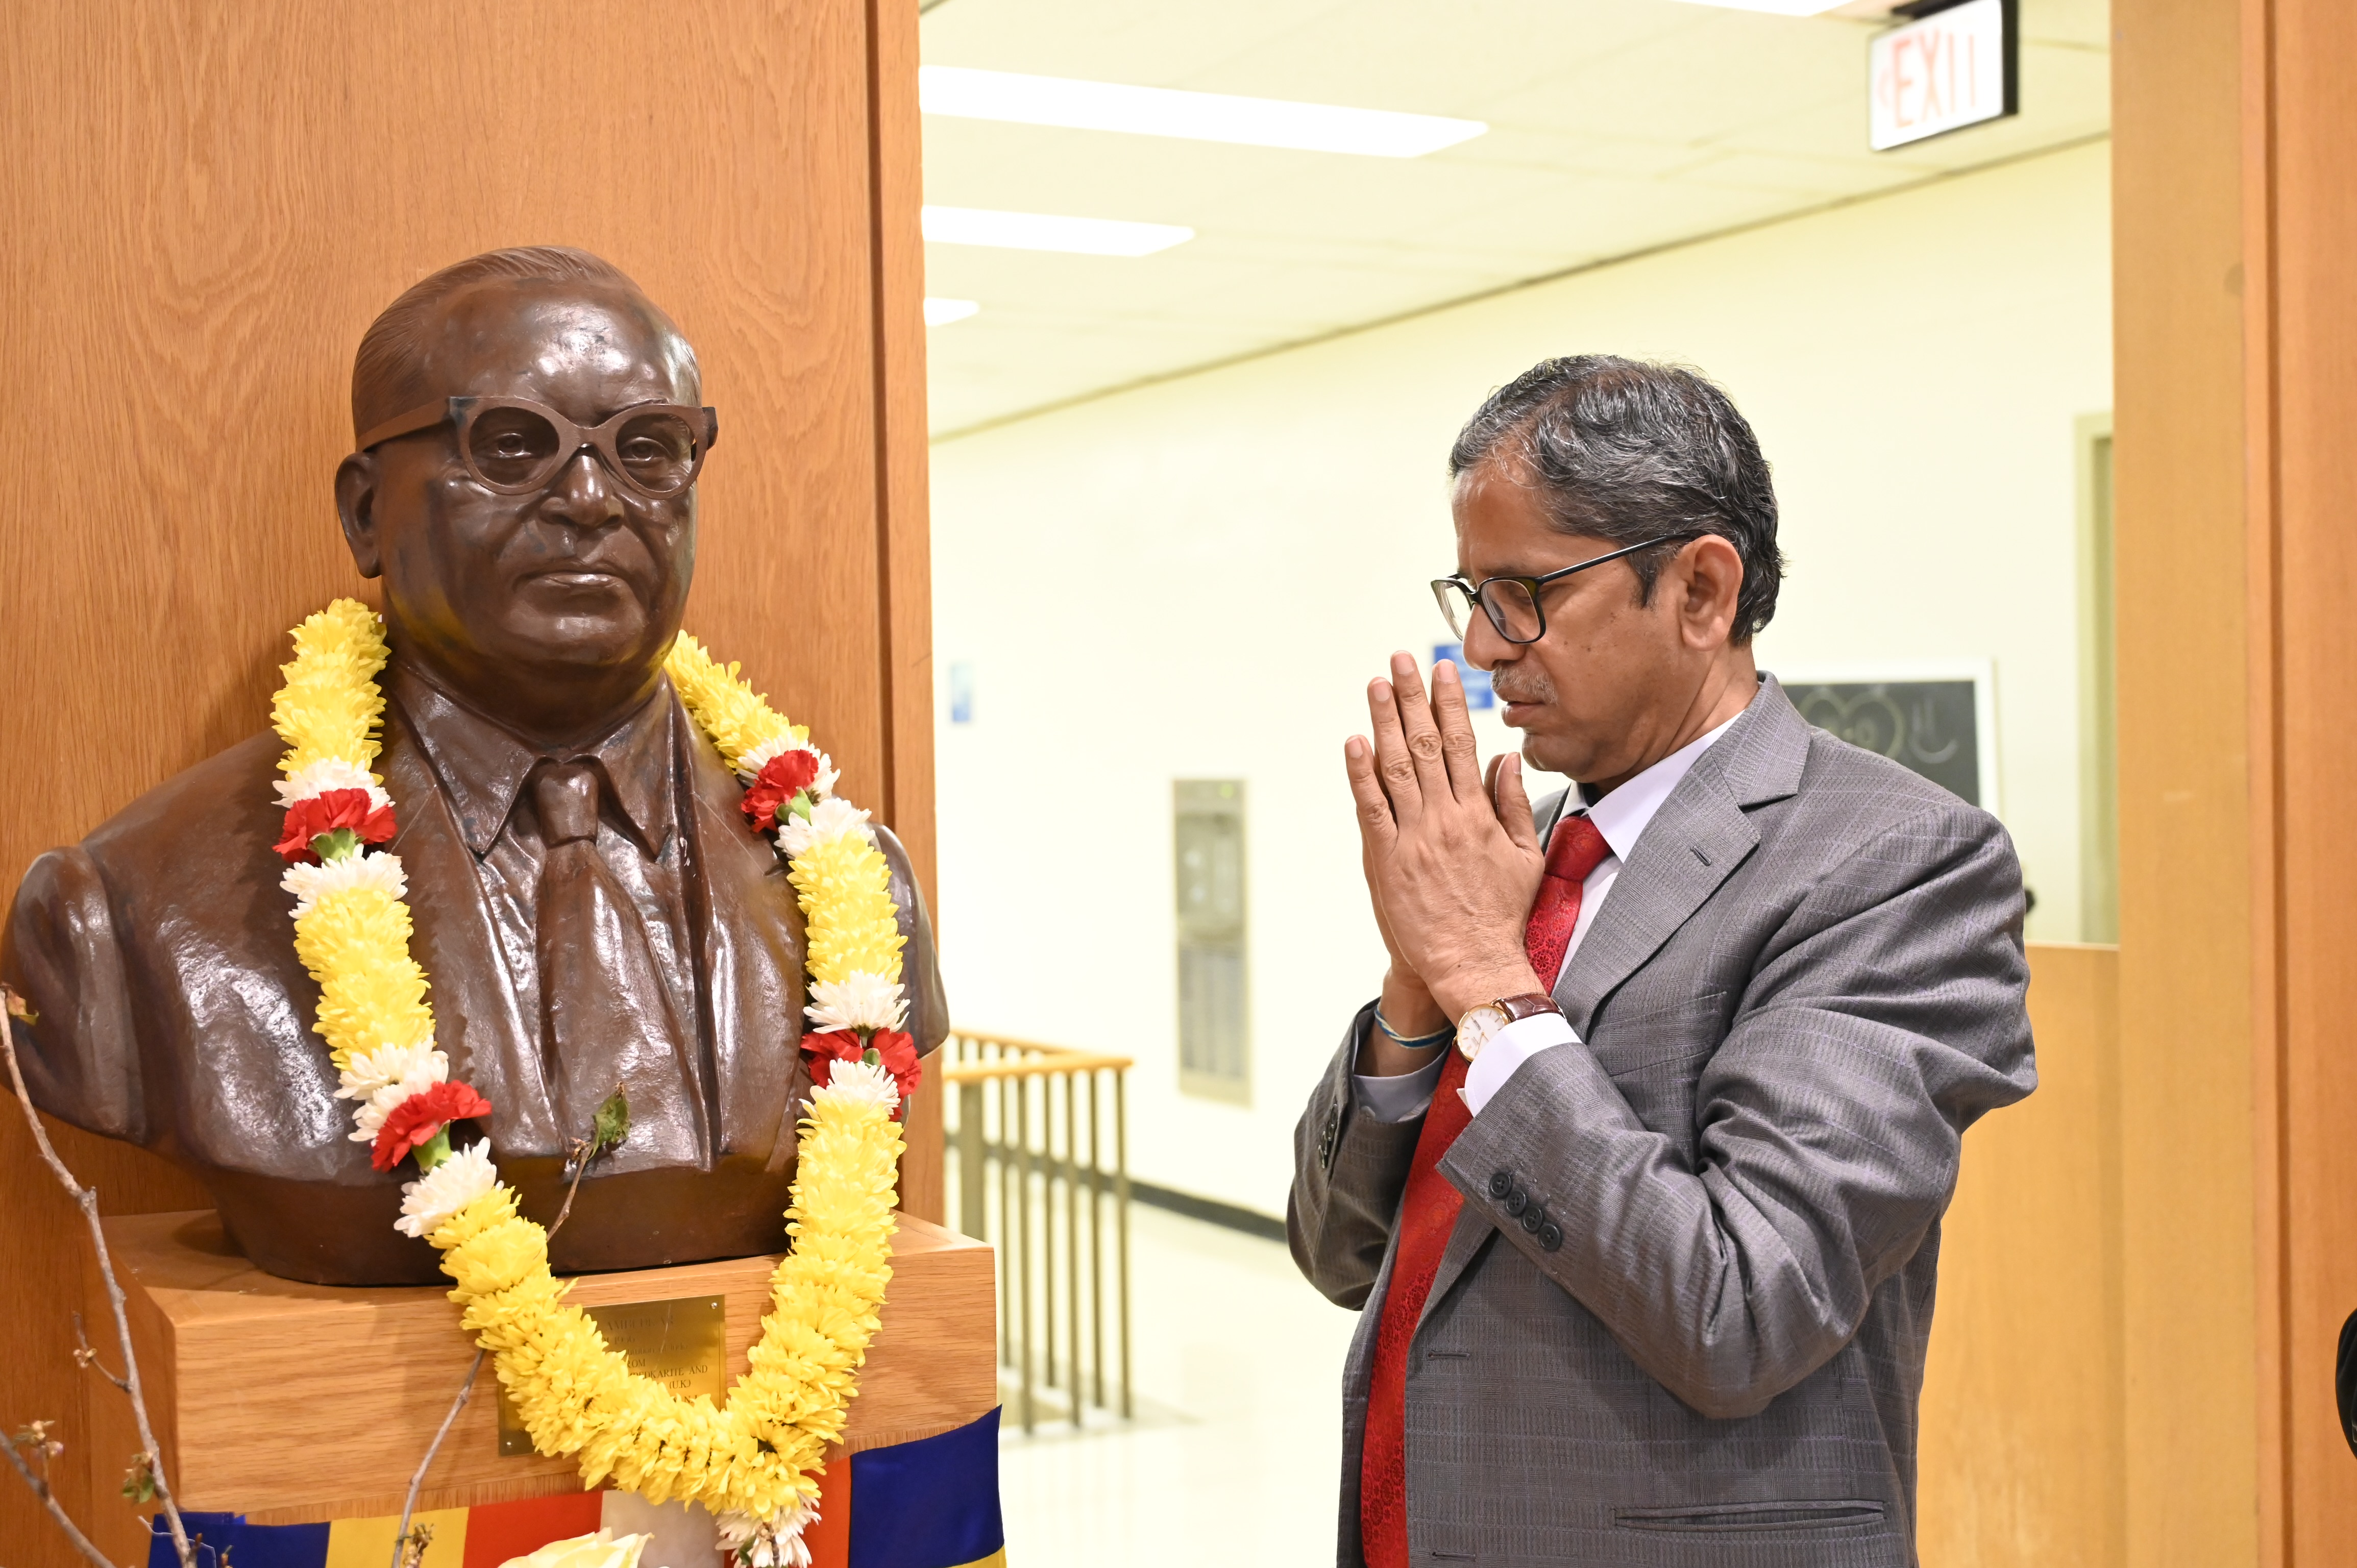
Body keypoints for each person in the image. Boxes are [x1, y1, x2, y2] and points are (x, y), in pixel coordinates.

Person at [1, 247, 945, 1285]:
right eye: (509, 446)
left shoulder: (851, 887)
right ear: (365, 511)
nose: (591, 498)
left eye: (649, 449)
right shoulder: (132, 910)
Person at [1288, 355, 2035, 1566]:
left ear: (1699, 589)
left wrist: (1485, 978)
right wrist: (1419, 985)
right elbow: (1337, 1252)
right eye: (1470, 593)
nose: (1482, 647)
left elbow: (1740, 1307)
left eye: (1526, 591)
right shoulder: (1516, 849)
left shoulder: (1895, 863)